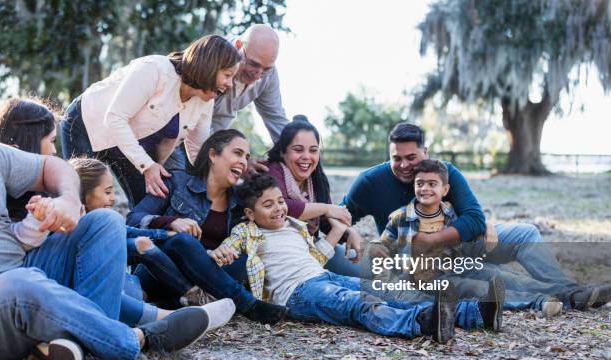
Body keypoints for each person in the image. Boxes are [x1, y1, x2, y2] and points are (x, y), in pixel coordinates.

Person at [0, 143, 231, 360]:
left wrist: (67, 199)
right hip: (10, 289)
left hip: (26, 263)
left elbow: (51, 166)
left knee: (107, 221)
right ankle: (139, 339)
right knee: (21, 283)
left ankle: (80, 344)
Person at [210, 174, 508, 344]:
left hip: (321, 277)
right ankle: (422, 323)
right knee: (357, 304)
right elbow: (228, 250)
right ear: (250, 213)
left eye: (279, 202)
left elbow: (314, 256)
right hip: (296, 294)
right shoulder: (245, 231)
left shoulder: (294, 225)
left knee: (383, 292)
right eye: (267, 205)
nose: (278, 209)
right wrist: (220, 253)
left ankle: (476, 314)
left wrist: (336, 231)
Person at [341, 122, 607, 309]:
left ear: (425, 152)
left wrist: (434, 239)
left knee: (526, 233)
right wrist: (349, 231)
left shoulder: (445, 173)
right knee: (490, 278)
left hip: (457, 246)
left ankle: (572, 292)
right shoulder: (370, 182)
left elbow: (474, 218)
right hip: (413, 260)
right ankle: (559, 297)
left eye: (411, 157)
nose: (403, 165)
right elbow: (341, 216)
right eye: (396, 158)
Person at [60, 35, 241, 207]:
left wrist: (219, 181)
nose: (230, 84)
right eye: (227, 75)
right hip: (87, 124)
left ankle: (141, 239)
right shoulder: (155, 69)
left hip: (130, 146)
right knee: (83, 198)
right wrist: (147, 165)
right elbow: (115, 118)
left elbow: (198, 149)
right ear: (209, 67)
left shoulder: (205, 101)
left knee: (150, 201)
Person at [128, 130, 287, 324]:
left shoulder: (239, 202)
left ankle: (184, 302)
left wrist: (219, 253)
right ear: (213, 155)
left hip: (206, 276)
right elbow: (133, 219)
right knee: (182, 241)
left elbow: (244, 236)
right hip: (160, 268)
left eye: (246, 157)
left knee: (246, 261)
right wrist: (170, 222)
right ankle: (248, 306)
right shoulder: (176, 181)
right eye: (237, 153)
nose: (244, 162)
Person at [370, 159, 564, 317]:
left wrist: (485, 225)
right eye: (419, 184)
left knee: (500, 276)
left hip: (459, 266)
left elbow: (472, 224)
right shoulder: (400, 217)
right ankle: (540, 301)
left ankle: (563, 292)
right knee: (479, 288)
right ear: (413, 186)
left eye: (432, 184)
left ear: (444, 190)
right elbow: (384, 245)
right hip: (428, 279)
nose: (425, 189)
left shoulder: (451, 213)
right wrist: (379, 252)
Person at [69, 157, 211, 306]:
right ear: (83, 194)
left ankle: (191, 295)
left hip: (118, 273)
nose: (113, 199)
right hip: (91, 283)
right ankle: (182, 302)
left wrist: (164, 234)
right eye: (107, 192)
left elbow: (127, 231)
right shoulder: (74, 220)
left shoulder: (102, 219)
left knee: (143, 245)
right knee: (139, 296)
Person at [165, 24, 289, 172]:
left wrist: (295, 154)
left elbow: (276, 118)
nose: (257, 75)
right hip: (173, 131)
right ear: (238, 45)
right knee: (175, 181)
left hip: (208, 145)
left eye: (266, 69)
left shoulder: (268, 75)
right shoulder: (212, 55)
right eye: (253, 64)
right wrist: (231, 162)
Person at [265, 115, 364, 275]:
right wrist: (325, 208)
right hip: (283, 258)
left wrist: (349, 232)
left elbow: (327, 223)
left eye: (313, 150)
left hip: (314, 247)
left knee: (367, 273)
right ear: (283, 152)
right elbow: (283, 208)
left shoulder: (316, 180)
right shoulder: (273, 171)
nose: (306, 157)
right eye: (298, 150)